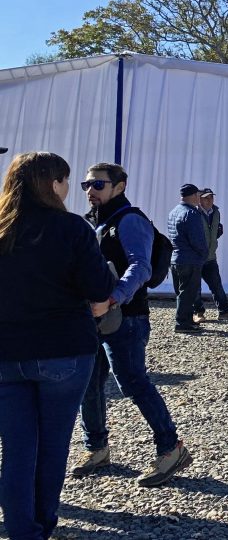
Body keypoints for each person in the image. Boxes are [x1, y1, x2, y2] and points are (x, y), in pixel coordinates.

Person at [0, 152, 116, 540]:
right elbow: (100, 289)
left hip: (5, 353)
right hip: (63, 351)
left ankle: (21, 532)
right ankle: (42, 526)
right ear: (52, 183)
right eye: (67, 180)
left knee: (17, 451)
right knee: (52, 448)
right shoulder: (72, 229)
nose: (73, 189)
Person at [74, 162, 193, 487]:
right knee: (89, 384)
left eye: (98, 185)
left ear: (120, 186)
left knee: (133, 383)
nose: (90, 191)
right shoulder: (94, 222)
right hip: (96, 318)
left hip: (127, 318)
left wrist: (112, 299)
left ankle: (171, 449)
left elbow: (140, 266)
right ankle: (96, 448)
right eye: (86, 185)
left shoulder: (129, 220)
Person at [193, 188, 228, 322]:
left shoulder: (216, 212)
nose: (210, 200)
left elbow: (213, 232)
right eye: (206, 198)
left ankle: (224, 311)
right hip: (196, 257)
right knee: (195, 287)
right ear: (199, 199)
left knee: (217, 285)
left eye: (211, 197)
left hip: (210, 256)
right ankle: (198, 313)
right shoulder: (193, 213)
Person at [168, 183, 208, 333]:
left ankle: (186, 319)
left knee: (181, 292)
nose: (199, 198)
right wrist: (203, 254)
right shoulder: (191, 214)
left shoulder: (174, 212)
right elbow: (197, 239)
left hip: (176, 258)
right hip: (189, 259)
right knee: (188, 292)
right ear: (192, 196)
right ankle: (182, 323)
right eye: (198, 195)